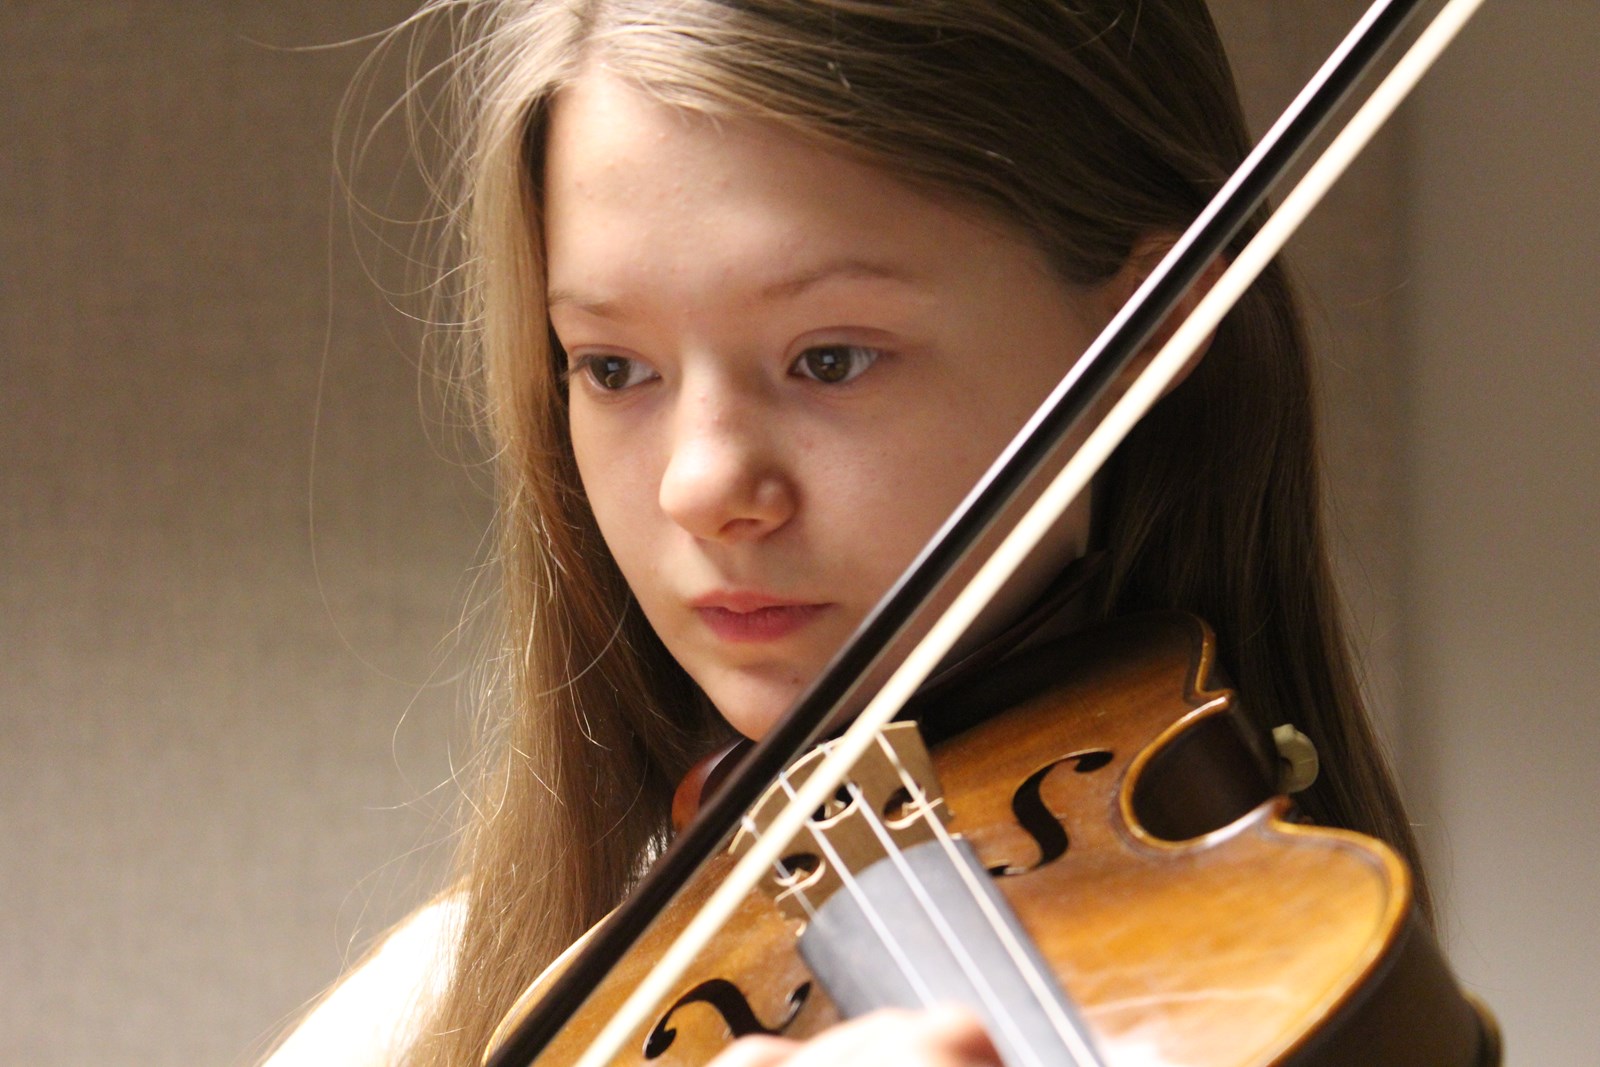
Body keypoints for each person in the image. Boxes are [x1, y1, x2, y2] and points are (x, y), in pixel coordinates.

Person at [264, 1, 1446, 1064]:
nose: (700, 485)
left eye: (829, 358)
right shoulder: (432, 1014)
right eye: (613, 367)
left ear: (1148, 331)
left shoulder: (1291, 973)